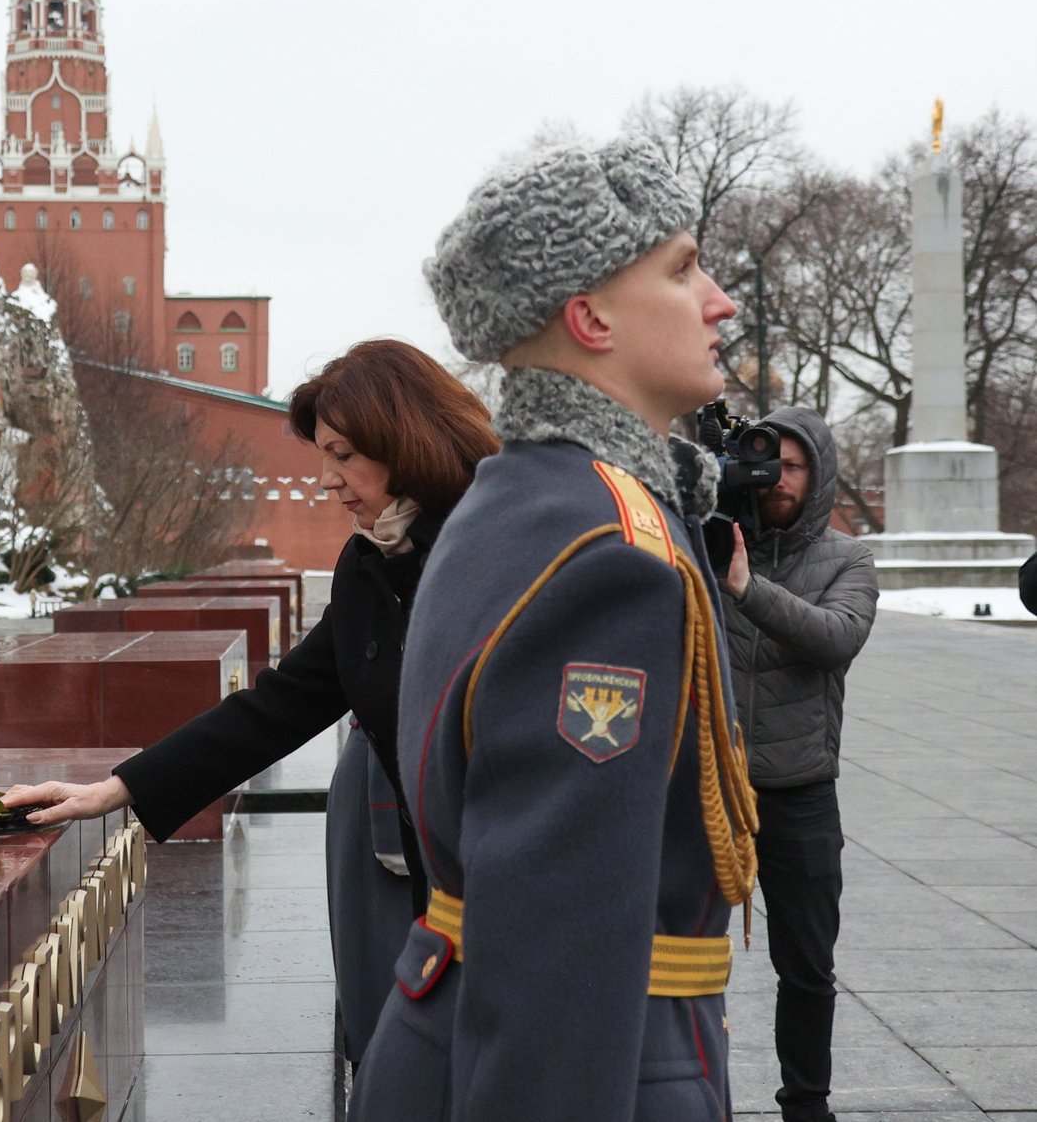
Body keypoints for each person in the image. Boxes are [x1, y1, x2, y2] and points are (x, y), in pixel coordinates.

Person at [350, 136, 760, 1120]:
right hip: (597, 1064)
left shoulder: (528, 498)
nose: (719, 301)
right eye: (681, 269)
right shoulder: (608, 554)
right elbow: (557, 947)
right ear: (589, 318)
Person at [2, 338, 500, 1060]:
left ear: (405, 440)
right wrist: (115, 790)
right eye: (323, 457)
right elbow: (280, 704)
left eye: (343, 455)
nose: (327, 480)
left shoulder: (498, 549)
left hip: (522, 895)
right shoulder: (371, 565)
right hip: (445, 900)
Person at [720, 407, 879, 1122]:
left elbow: (836, 638)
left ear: (819, 474)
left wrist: (746, 588)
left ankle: (807, 1106)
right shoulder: (711, 542)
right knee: (680, 954)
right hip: (710, 784)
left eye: (793, 466)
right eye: (766, 465)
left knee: (808, 966)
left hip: (801, 789)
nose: (777, 479)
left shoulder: (848, 559)